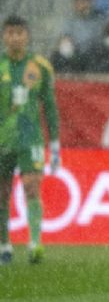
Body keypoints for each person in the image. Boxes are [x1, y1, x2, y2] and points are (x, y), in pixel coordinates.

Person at [0, 16, 60, 265]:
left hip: (31, 138)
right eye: (11, 33)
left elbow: (49, 105)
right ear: (4, 36)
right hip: (3, 140)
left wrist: (55, 144)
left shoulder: (40, 66)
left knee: (31, 186)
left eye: (20, 32)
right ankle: (5, 245)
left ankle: (35, 243)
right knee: (2, 193)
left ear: (27, 36)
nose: (15, 37)